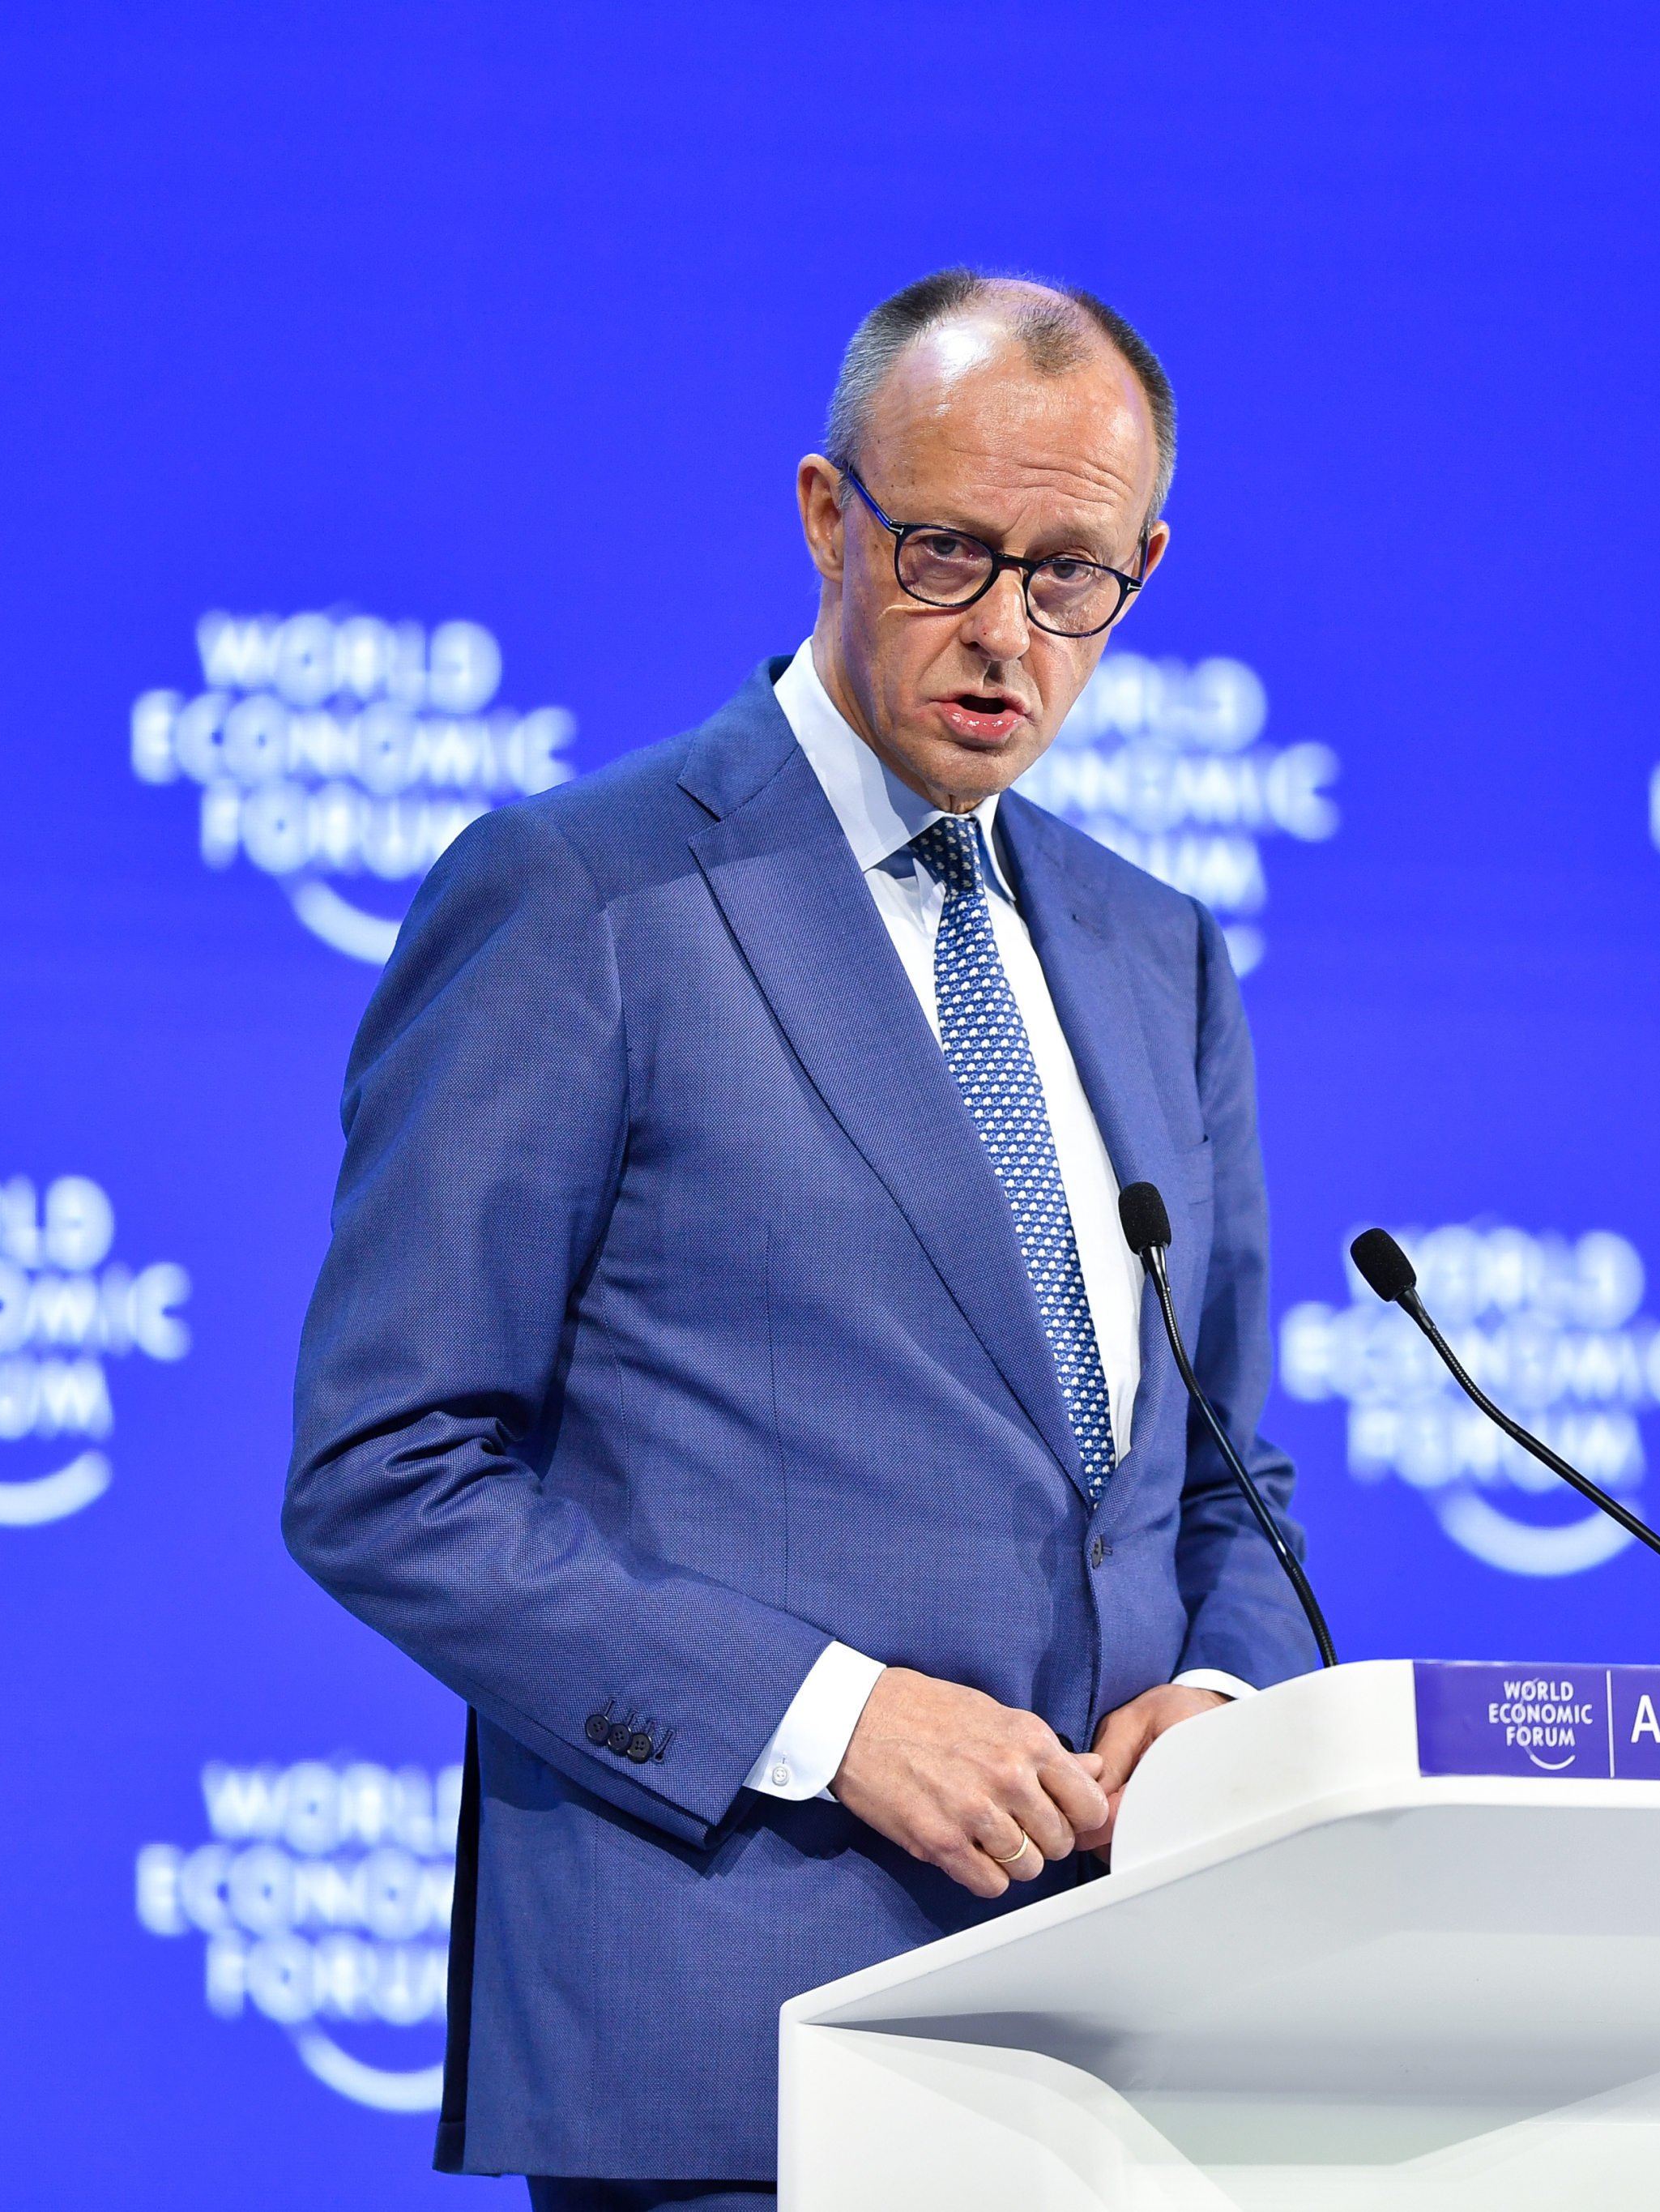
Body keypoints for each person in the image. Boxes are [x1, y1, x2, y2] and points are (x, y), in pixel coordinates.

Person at [285, 267, 1317, 2209]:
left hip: (1131, 2053)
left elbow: (1222, 1474)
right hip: (742, 2050)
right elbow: (386, 1473)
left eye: (1072, 576)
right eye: (947, 552)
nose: (1008, 633)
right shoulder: (584, 897)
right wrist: (831, 1720)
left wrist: (1226, 1709)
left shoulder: (1153, 950)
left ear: (1146, 567)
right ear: (827, 516)